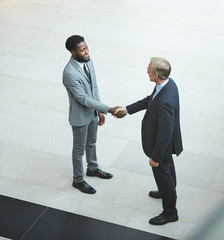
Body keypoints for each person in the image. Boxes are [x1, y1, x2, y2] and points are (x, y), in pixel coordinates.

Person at [120, 57, 183, 225]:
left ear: (156, 75)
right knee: (167, 168)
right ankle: (166, 190)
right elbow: (150, 99)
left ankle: (170, 212)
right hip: (163, 145)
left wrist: (155, 157)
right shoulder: (167, 84)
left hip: (160, 145)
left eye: (148, 70)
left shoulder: (165, 102)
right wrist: (126, 110)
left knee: (163, 172)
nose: (146, 72)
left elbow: (165, 133)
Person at [62, 35, 124, 194]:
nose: (87, 51)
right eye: (82, 50)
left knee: (92, 143)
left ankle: (93, 168)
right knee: (78, 150)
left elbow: (94, 88)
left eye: (87, 47)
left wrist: (99, 111)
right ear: (73, 52)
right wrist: (108, 109)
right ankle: (78, 180)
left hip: (92, 113)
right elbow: (83, 99)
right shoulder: (69, 73)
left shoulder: (88, 61)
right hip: (80, 117)